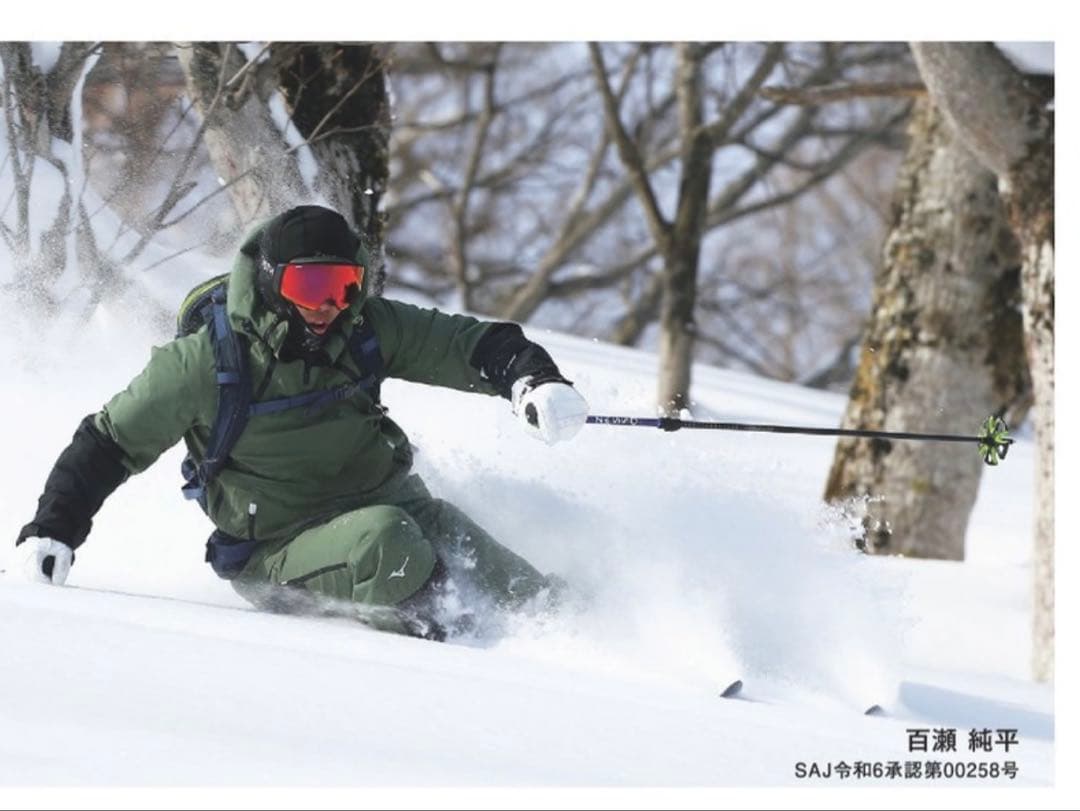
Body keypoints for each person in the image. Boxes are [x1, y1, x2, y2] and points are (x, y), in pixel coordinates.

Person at [15, 205, 589, 640]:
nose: (326, 306)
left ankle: (576, 642)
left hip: (397, 510)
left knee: (520, 589)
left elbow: (469, 345)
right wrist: (55, 528)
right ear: (271, 282)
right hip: (281, 546)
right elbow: (109, 440)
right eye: (307, 287)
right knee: (389, 543)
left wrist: (530, 381)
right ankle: (473, 653)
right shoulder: (205, 363)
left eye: (343, 286)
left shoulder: (362, 327)